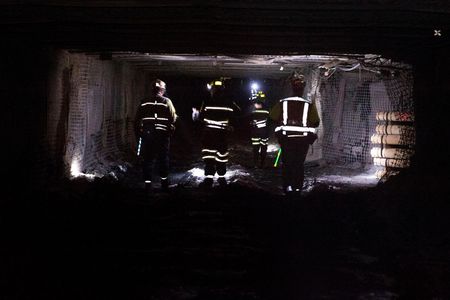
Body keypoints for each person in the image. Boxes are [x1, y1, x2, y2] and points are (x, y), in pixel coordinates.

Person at [269, 73, 320, 197]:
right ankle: (297, 189)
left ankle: (287, 187)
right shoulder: (309, 105)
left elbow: (271, 117)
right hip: (302, 141)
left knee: (287, 164)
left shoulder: (283, 103)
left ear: (292, 88)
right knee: (298, 164)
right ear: (303, 90)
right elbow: (316, 122)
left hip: (286, 139)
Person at [192, 79, 240, 188]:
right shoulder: (229, 101)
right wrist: (232, 126)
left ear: (212, 90)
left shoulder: (206, 101)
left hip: (209, 134)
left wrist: (196, 114)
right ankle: (222, 178)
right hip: (222, 134)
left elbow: (200, 117)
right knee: (221, 156)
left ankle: (208, 180)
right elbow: (236, 115)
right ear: (223, 89)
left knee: (209, 156)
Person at [135, 79, 178, 194]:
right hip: (162, 135)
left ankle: (148, 183)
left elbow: (137, 119)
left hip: (147, 135)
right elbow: (173, 117)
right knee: (163, 158)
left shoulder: (144, 102)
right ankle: (164, 182)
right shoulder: (166, 101)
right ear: (162, 90)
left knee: (147, 159)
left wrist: (139, 134)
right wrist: (170, 129)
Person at [249, 90, 270, 168]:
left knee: (255, 149)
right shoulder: (267, 111)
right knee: (263, 149)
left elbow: (249, 120)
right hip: (264, 133)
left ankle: (255, 164)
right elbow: (270, 121)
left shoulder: (253, 112)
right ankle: (262, 163)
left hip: (255, 133)